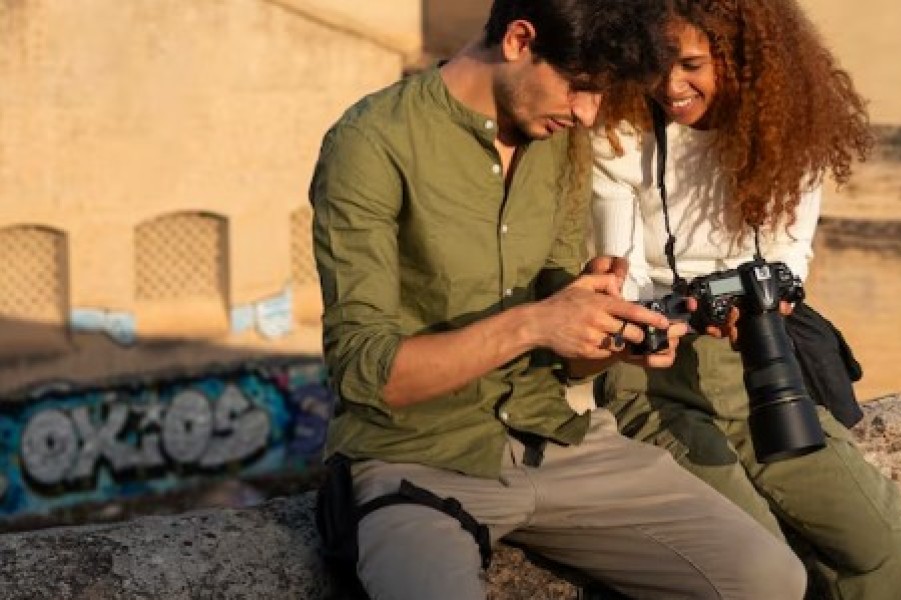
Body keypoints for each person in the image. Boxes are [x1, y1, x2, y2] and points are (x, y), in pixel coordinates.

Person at [308, 0, 811, 598]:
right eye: (580, 86)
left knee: (771, 579)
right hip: (415, 462)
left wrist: (616, 335)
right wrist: (535, 324)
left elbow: (566, 355)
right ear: (519, 40)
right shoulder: (371, 142)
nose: (588, 113)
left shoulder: (562, 139)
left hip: (559, 441)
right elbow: (364, 375)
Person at [589, 0, 901, 598]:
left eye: (691, 64)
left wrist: (762, 305)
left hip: (762, 362)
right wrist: (662, 319)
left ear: (741, 58)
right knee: (762, 559)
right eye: (654, 62)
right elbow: (623, 269)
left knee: (880, 544)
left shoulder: (788, 128)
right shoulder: (619, 130)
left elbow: (789, 256)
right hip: (652, 375)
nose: (669, 85)